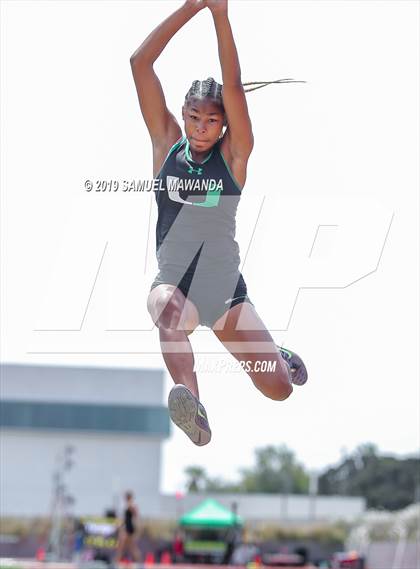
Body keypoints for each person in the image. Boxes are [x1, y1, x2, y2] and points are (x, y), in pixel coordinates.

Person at [130, 0, 308, 446]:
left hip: (224, 291)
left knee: (278, 389)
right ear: (183, 115)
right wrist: (193, 6)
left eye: (212, 120)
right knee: (166, 311)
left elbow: (232, 88)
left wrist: (220, 15)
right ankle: (192, 403)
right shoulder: (166, 144)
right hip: (176, 282)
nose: (201, 127)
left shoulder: (234, 158)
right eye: (194, 117)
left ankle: (280, 358)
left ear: (225, 125)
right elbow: (140, 63)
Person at [114, 491, 141, 564]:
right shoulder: (128, 505)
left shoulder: (131, 505)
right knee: (131, 547)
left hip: (128, 528)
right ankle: (139, 562)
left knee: (121, 547)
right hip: (128, 528)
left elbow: (135, 516)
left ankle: (116, 562)